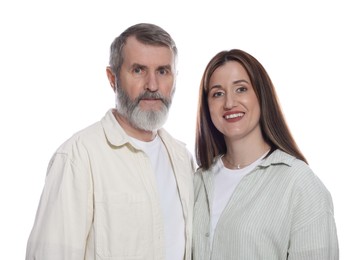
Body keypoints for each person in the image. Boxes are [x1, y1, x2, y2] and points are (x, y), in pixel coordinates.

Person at [26, 23, 195, 260]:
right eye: (138, 70)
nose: (153, 85)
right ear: (112, 78)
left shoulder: (182, 159)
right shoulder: (79, 157)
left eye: (163, 71)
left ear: (175, 79)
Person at [192, 49, 339, 259]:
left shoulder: (299, 184)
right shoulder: (198, 181)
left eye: (241, 89)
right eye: (217, 93)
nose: (229, 103)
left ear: (261, 96)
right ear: (207, 106)